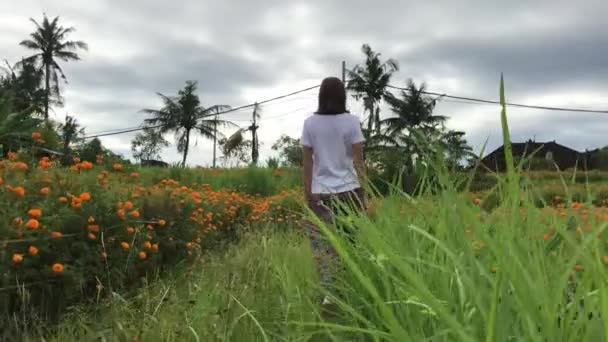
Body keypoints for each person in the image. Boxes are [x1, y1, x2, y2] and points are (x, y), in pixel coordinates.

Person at [301, 77, 367, 297]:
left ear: (321, 96)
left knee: (322, 246)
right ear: (342, 96)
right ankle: (349, 292)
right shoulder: (352, 121)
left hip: (321, 194)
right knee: (350, 245)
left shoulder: (310, 123)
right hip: (350, 192)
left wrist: (307, 193)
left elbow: (308, 162)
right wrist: (365, 193)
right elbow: (359, 161)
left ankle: (329, 295)